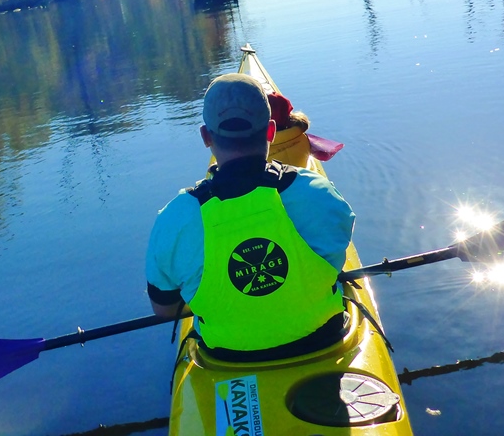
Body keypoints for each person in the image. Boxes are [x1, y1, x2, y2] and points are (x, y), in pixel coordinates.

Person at [145, 73, 354, 360]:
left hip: (226, 358)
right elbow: (335, 261)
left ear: (206, 137)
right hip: (325, 340)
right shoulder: (320, 194)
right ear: (271, 131)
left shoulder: (174, 219)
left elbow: (165, 310)